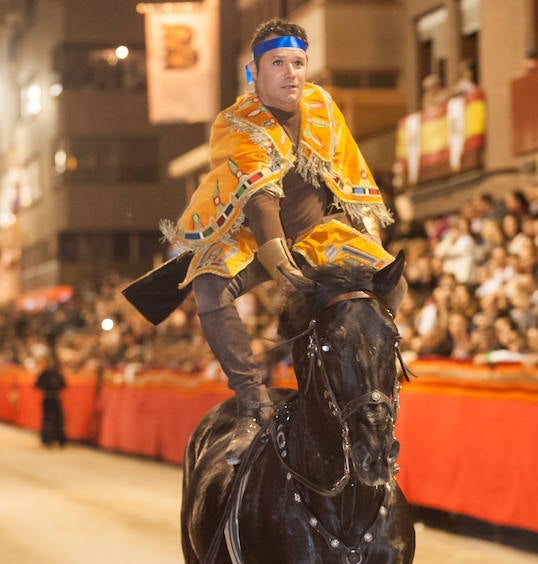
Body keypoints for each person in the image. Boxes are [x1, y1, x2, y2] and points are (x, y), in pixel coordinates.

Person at [124, 18, 401, 464]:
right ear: (254, 72)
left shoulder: (323, 107)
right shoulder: (236, 123)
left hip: (316, 230)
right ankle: (253, 401)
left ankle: (372, 385)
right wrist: (283, 272)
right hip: (252, 235)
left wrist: (375, 258)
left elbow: (354, 177)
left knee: (393, 280)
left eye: (298, 63)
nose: (291, 73)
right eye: (278, 63)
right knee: (209, 282)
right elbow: (261, 202)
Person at [34, 355, 67, 447]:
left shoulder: (54, 374)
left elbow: (63, 385)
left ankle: (55, 439)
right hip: (49, 398)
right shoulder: (48, 374)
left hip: (53, 398)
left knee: (56, 419)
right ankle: (49, 439)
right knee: (50, 419)